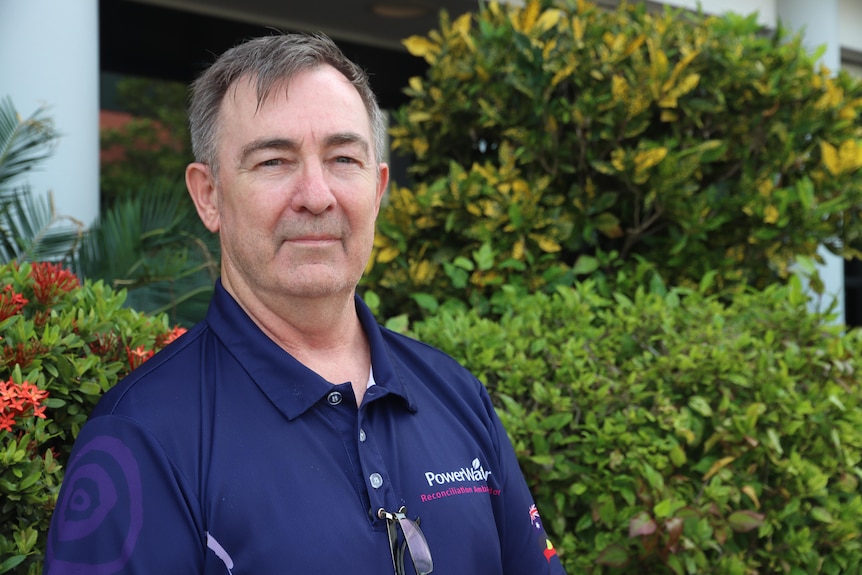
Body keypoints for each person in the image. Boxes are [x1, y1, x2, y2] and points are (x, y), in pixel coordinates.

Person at [43, 33, 568, 575]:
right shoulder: (142, 437)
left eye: (343, 158)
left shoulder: (457, 395)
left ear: (379, 188)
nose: (317, 195)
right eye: (273, 161)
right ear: (209, 195)